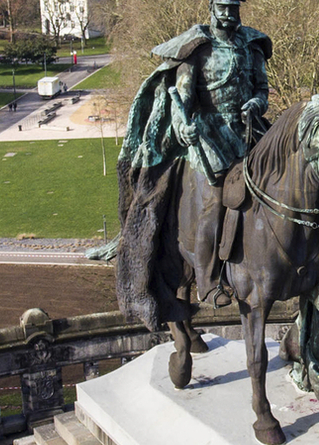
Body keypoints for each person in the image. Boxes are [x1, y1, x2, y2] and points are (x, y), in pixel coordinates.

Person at [111, 0, 273, 329]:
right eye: (222, 7)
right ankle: (209, 282)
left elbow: (262, 87)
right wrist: (183, 126)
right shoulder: (196, 48)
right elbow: (182, 98)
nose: (228, 12)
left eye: (233, 6)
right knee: (214, 202)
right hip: (208, 136)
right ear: (211, 8)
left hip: (248, 132)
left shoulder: (251, 45)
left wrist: (256, 102)